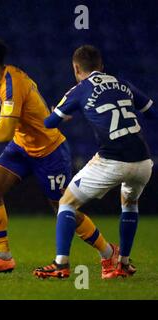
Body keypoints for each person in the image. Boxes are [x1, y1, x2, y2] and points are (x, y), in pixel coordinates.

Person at [0, 37, 115, 276]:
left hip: (50, 151)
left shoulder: (11, 82)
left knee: (63, 208)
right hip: (21, 147)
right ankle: (3, 256)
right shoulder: (4, 79)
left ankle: (109, 252)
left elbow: (4, 132)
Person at [34, 45, 156, 279]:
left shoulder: (79, 90)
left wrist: (61, 113)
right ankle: (123, 263)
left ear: (76, 67)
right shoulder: (124, 84)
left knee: (66, 203)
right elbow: (151, 112)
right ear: (101, 66)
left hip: (112, 160)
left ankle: (61, 264)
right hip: (142, 161)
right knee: (129, 204)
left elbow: (49, 123)